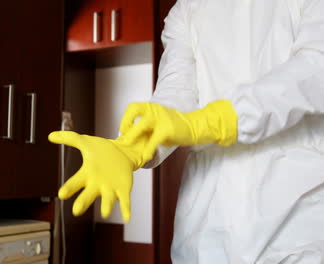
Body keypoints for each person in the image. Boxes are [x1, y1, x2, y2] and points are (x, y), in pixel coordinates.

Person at [49, 0, 324, 262]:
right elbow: (175, 96)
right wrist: (131, 147)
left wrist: (219, 120)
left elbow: (314, 69)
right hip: (207, 225)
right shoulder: (185, 10)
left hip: (296, 216)